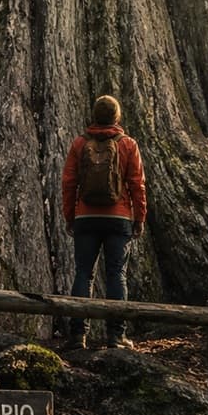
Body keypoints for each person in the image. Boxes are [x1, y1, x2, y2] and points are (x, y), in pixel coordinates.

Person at [62, 94, 147, 349]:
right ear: (117, 117)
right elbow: (137, 185)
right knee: (116, 274)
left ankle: (78, 335)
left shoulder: (80, 143)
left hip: (85, 217)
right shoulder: (128, 144)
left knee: (83, 273)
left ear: (94, 116)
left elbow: (69, 183)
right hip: (118, 218)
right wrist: (139, 218)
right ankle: (116, 335)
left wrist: (70, 216)